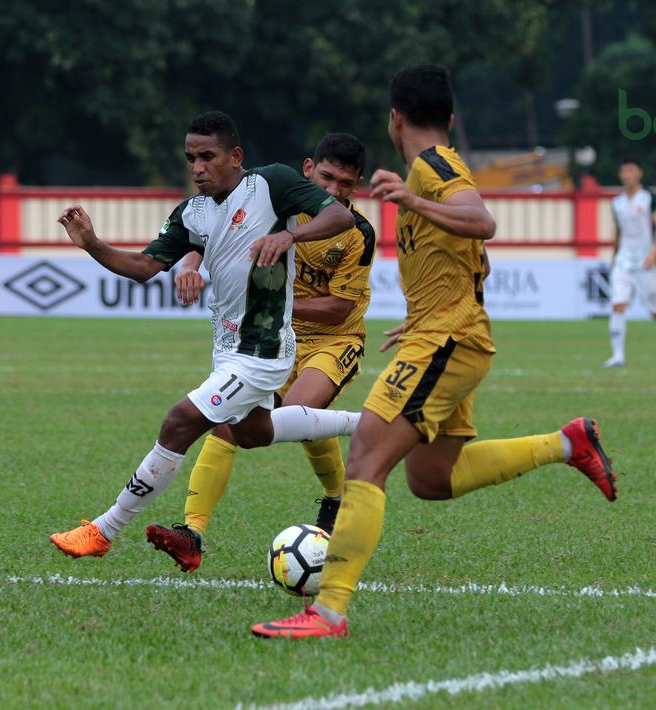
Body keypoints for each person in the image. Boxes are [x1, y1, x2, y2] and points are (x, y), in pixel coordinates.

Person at [251, 65, 618, 639]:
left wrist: (412, 204)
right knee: (431, 477)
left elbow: (482, 222)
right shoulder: (426, 171)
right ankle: (567, 443)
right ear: (450, 117)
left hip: (447, 339)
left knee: (366, 458)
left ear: (394, 118)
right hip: (445, 333)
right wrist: (427, 312)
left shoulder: (433, 166)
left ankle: (327, 613)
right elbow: (477, 257)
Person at [48, 111, 360, 560]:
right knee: (254, 432)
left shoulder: (271, 184)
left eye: (207, 157)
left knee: (180, 421)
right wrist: (94, 245)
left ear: (235, 157)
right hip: (228, 349)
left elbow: (338, 217)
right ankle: (369, 425)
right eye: (190, 158)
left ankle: (103, 530)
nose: (197, 167)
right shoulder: (191, 213)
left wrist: (292, 237)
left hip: (263, 349)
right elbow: (143, 268)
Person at [145, 132, 377, 573]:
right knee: (227, 420)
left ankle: (336, 495)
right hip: (270, 337)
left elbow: (340, 307)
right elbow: (203, 233)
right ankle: (192, 533)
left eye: (345, 184)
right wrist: (190, 266)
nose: (333, 191)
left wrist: (273, 297)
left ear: (357, 186)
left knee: (297, 411)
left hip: (333, 340)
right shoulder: (273, 201)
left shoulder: (355, 231)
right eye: (326, 178)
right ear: (308, 170)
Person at [603, 157, 656, 368]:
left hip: (646, 263)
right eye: (623, 171)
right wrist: (614, 257)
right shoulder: (617, 203)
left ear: (639, 173)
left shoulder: (649, 198)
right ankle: (618, 355)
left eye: (630, 171)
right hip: (624, 262)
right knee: (618, 305)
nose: (626, 175)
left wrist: (654, 252)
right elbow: (618, 232)